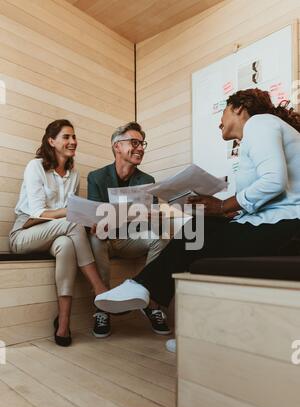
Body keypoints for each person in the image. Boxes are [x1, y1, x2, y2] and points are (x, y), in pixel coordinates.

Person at [94, 88, 300, 352]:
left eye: (224, 110)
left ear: (238, 108)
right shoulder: (265, 130)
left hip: (288, 228)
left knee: (199, 233)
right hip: (279, 224)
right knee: (200, 231)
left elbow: (273, 182)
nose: (220, 120)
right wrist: (224, 210)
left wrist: (224, 205)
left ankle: (148, 291)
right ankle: (167, 307)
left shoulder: (259, 123)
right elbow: (276, 194)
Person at [9, 120, 108, 347]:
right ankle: (99, 288)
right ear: (51, 141)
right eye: (66, 137)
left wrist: (89, 219)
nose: (73, 142)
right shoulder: (35, 166)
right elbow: (37, 212)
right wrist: (73, 212)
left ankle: (63, 322)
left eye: (74, 137)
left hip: (56, 234)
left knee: (66, 244)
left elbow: (69, 217)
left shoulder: (74, 174)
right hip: (25, 232)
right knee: (71, 225)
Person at [87, 122, 170, 338]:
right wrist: (98, 223)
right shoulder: (96, 177)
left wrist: (155, 216)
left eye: (142, 143)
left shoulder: (147, 181)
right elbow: (94, 216)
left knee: (159, 238)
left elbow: (150, 224)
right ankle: (103, 306)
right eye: (134, 142)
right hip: (105, 240)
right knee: (96, 238)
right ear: (117, 146)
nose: (140, 148)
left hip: (130, 239)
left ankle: (150, 302)